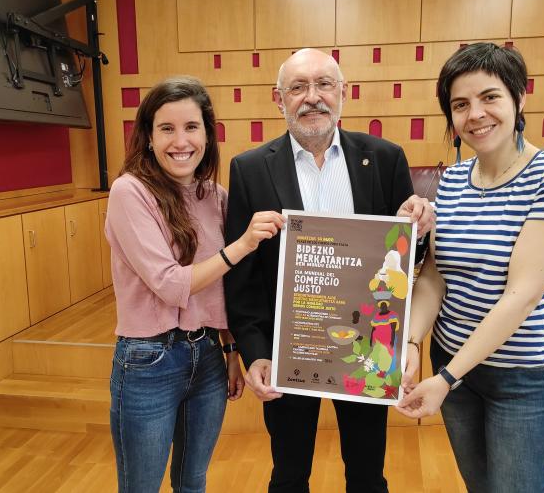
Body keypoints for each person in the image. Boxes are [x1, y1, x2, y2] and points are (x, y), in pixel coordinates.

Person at [224, 48, 434, 493]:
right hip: (289, 351)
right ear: (278, 99)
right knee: (288, 475)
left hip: (364, 350)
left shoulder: (384, 158)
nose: (312, 97)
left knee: (366, 474)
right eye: (298, 87)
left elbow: (409, 264)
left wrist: (417, 231)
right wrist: (256, 350)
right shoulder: (248, 169)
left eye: (324, 85)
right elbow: (243, 279)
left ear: (344, 92)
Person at [396, 43, 544, 493]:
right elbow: (435, 276)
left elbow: (521, 296)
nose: (475, 114)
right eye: (460, 105)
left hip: (524, 377)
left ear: (520, 97)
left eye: (490, 97)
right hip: (455, 368)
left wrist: (445, 378)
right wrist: (411, 342)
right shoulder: (454, 179)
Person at [105, 76, 284, 493]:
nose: (180, 140)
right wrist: (242, 244)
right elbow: (171, 284)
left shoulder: (215, 194)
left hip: (206, 357)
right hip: (148, 360)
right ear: (148, 137)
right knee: (140, 487)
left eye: (192, 127)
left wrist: (232, 350)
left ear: (207, 134)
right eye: (166, 128)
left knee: (193, 482)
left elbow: (224, 287)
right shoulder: (129, 191)